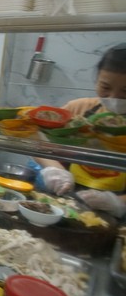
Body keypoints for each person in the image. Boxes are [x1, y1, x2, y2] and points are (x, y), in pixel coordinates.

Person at [33, 43, 126, 218]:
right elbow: (38, 141)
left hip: (117, 214)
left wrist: (119, 203)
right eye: (105, 88)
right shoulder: (80, 109)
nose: (114, 98)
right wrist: (54, 169)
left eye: (125, 91)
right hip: (67, 199)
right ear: (97, 79)